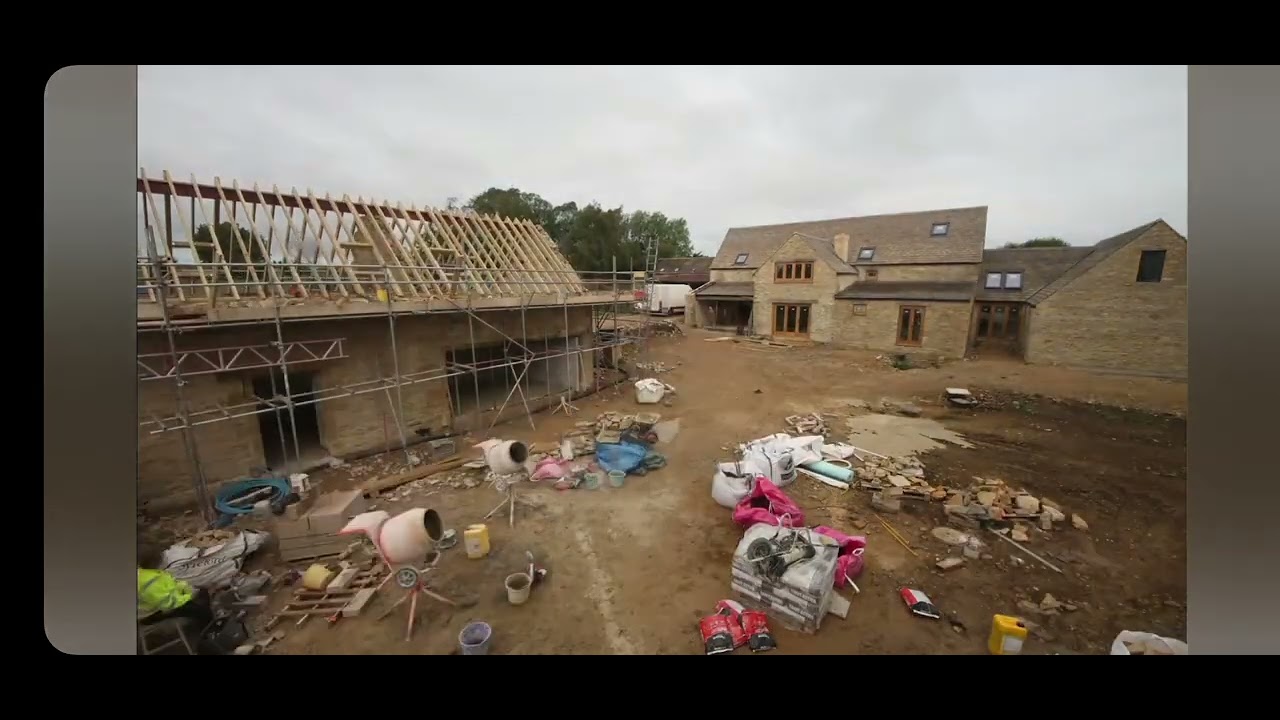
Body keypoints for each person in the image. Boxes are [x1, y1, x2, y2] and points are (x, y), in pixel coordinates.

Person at [137, 544, 214, 630]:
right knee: (201, 611)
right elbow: (170, 605)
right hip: (153, 613)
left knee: (202, 593)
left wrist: (184, 587)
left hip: (161, 602)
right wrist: (189, 595)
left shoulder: (146, 574)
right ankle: (210, 630)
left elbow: (168, 584)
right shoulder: (149, 582)